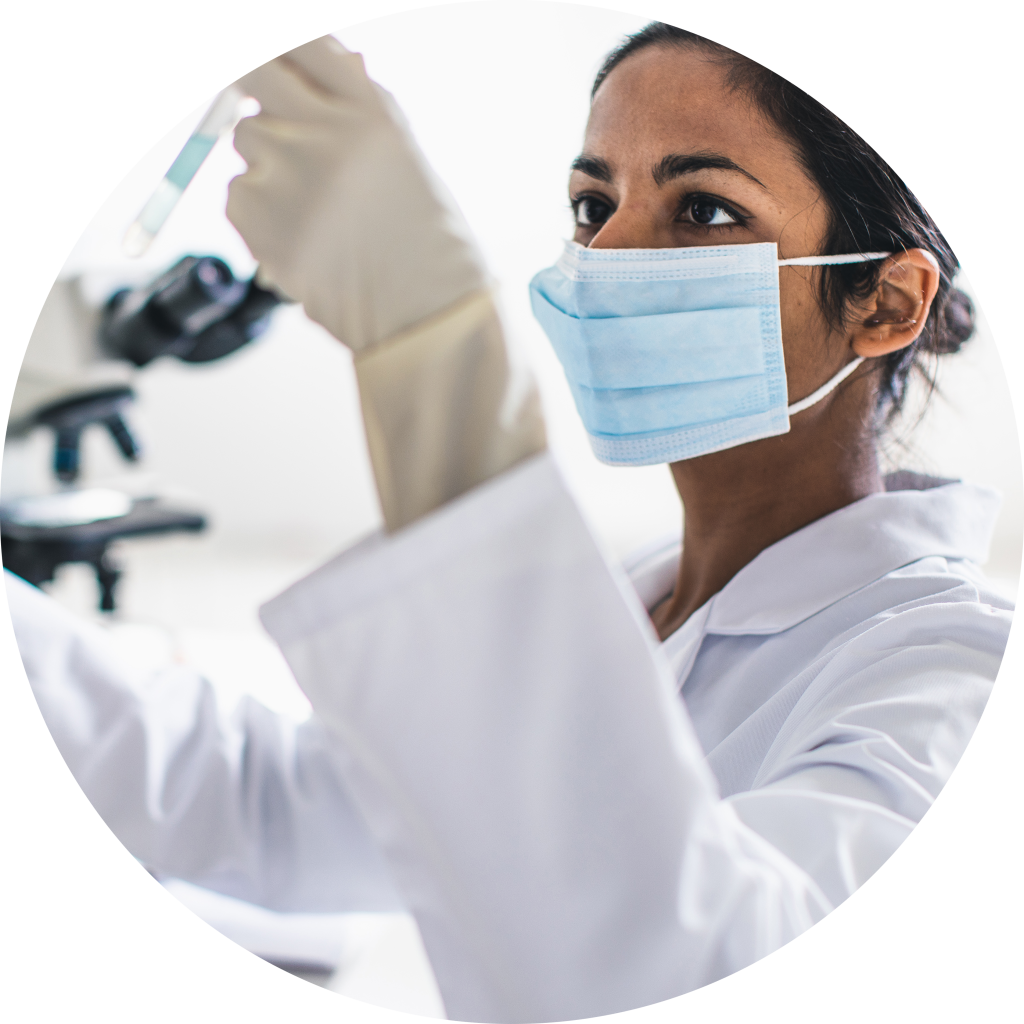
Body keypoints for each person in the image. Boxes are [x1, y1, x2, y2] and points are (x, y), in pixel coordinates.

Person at [8, 25, 1011, 1022]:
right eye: (591, 204)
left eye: (702, 208)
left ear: (883, 300)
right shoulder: (638, 598)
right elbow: (264, 804)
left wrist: (428, 342)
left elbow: (676, 967)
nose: (608, 251)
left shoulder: (947, 668)